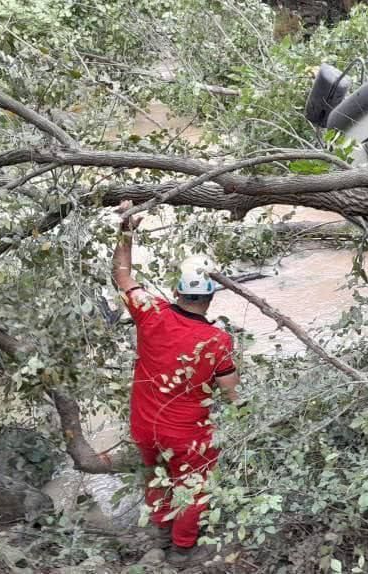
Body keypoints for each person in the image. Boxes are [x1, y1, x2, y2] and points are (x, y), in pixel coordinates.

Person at [112, 200, 240, 566]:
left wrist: (126, 229)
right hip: (187, 432)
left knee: (154, 474)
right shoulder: (217, 341)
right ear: (211, 296)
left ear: (178, 291)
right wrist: (247, 414)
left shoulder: (150, 312)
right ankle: (183, 549)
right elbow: (231, 392)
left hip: (144, 424)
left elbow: (122, 275)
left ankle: (160, 529)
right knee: (195, 486)